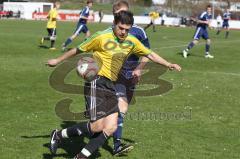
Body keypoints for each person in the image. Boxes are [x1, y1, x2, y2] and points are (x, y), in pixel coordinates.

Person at [47, 10, 181, 159]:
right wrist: (57, 61)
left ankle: (80, 157)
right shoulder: (101, 36)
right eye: (121, 28)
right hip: (96, 82)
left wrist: (168, 64)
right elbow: (77, 49)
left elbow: (149, 54)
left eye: (127, 29)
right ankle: (58, 135)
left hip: (111, 85)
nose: (123, 32)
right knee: (97, 126)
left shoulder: (131, 41)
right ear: (114, 24)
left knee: (111, 127)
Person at [111, 0, 151, 156]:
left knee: (120, 111)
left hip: (131, 76)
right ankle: (117, 146)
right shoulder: (109, 32)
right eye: (119, 14)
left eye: (125, 13)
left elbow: (147, 54)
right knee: (122, 108)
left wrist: (139, 69)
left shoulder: (139, 32)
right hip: (115, 76)